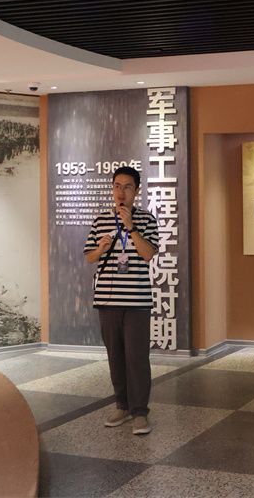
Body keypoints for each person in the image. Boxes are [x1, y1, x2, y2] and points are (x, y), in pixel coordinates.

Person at [84, 167, 160, 435]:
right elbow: (90, 257)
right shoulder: (100, 220)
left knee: (137, 358)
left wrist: (131, 228)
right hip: (107, 300)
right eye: (117, 186)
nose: (121, 192)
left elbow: (148, 254)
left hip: (137, 300)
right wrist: (101, 249)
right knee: (115, 357)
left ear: (137, 191)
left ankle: (140, 412)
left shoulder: (147, 220)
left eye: (127, 187)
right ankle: (122, 406)